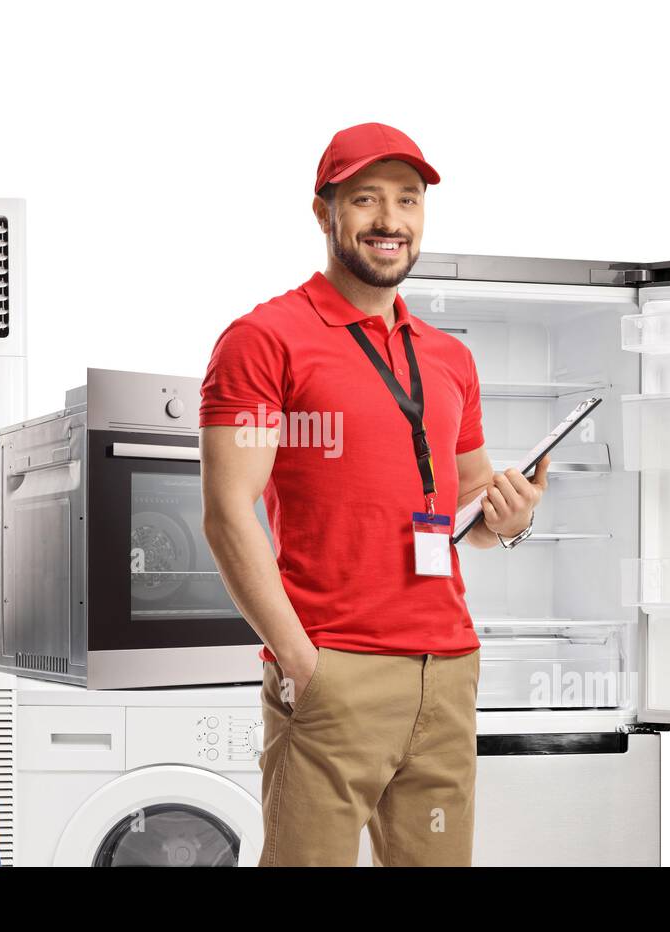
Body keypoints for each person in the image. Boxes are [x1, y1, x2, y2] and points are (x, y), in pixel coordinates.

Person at [198, 122, 549, 866]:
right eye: (366, 199)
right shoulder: (264, 340)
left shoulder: (450, 358)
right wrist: (300, 662)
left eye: (408, 200)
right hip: (334, 671)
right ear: (324, 212)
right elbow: (229, 514)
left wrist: (509, 521)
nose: (391, 220)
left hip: (447, 672)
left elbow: (471, 514)